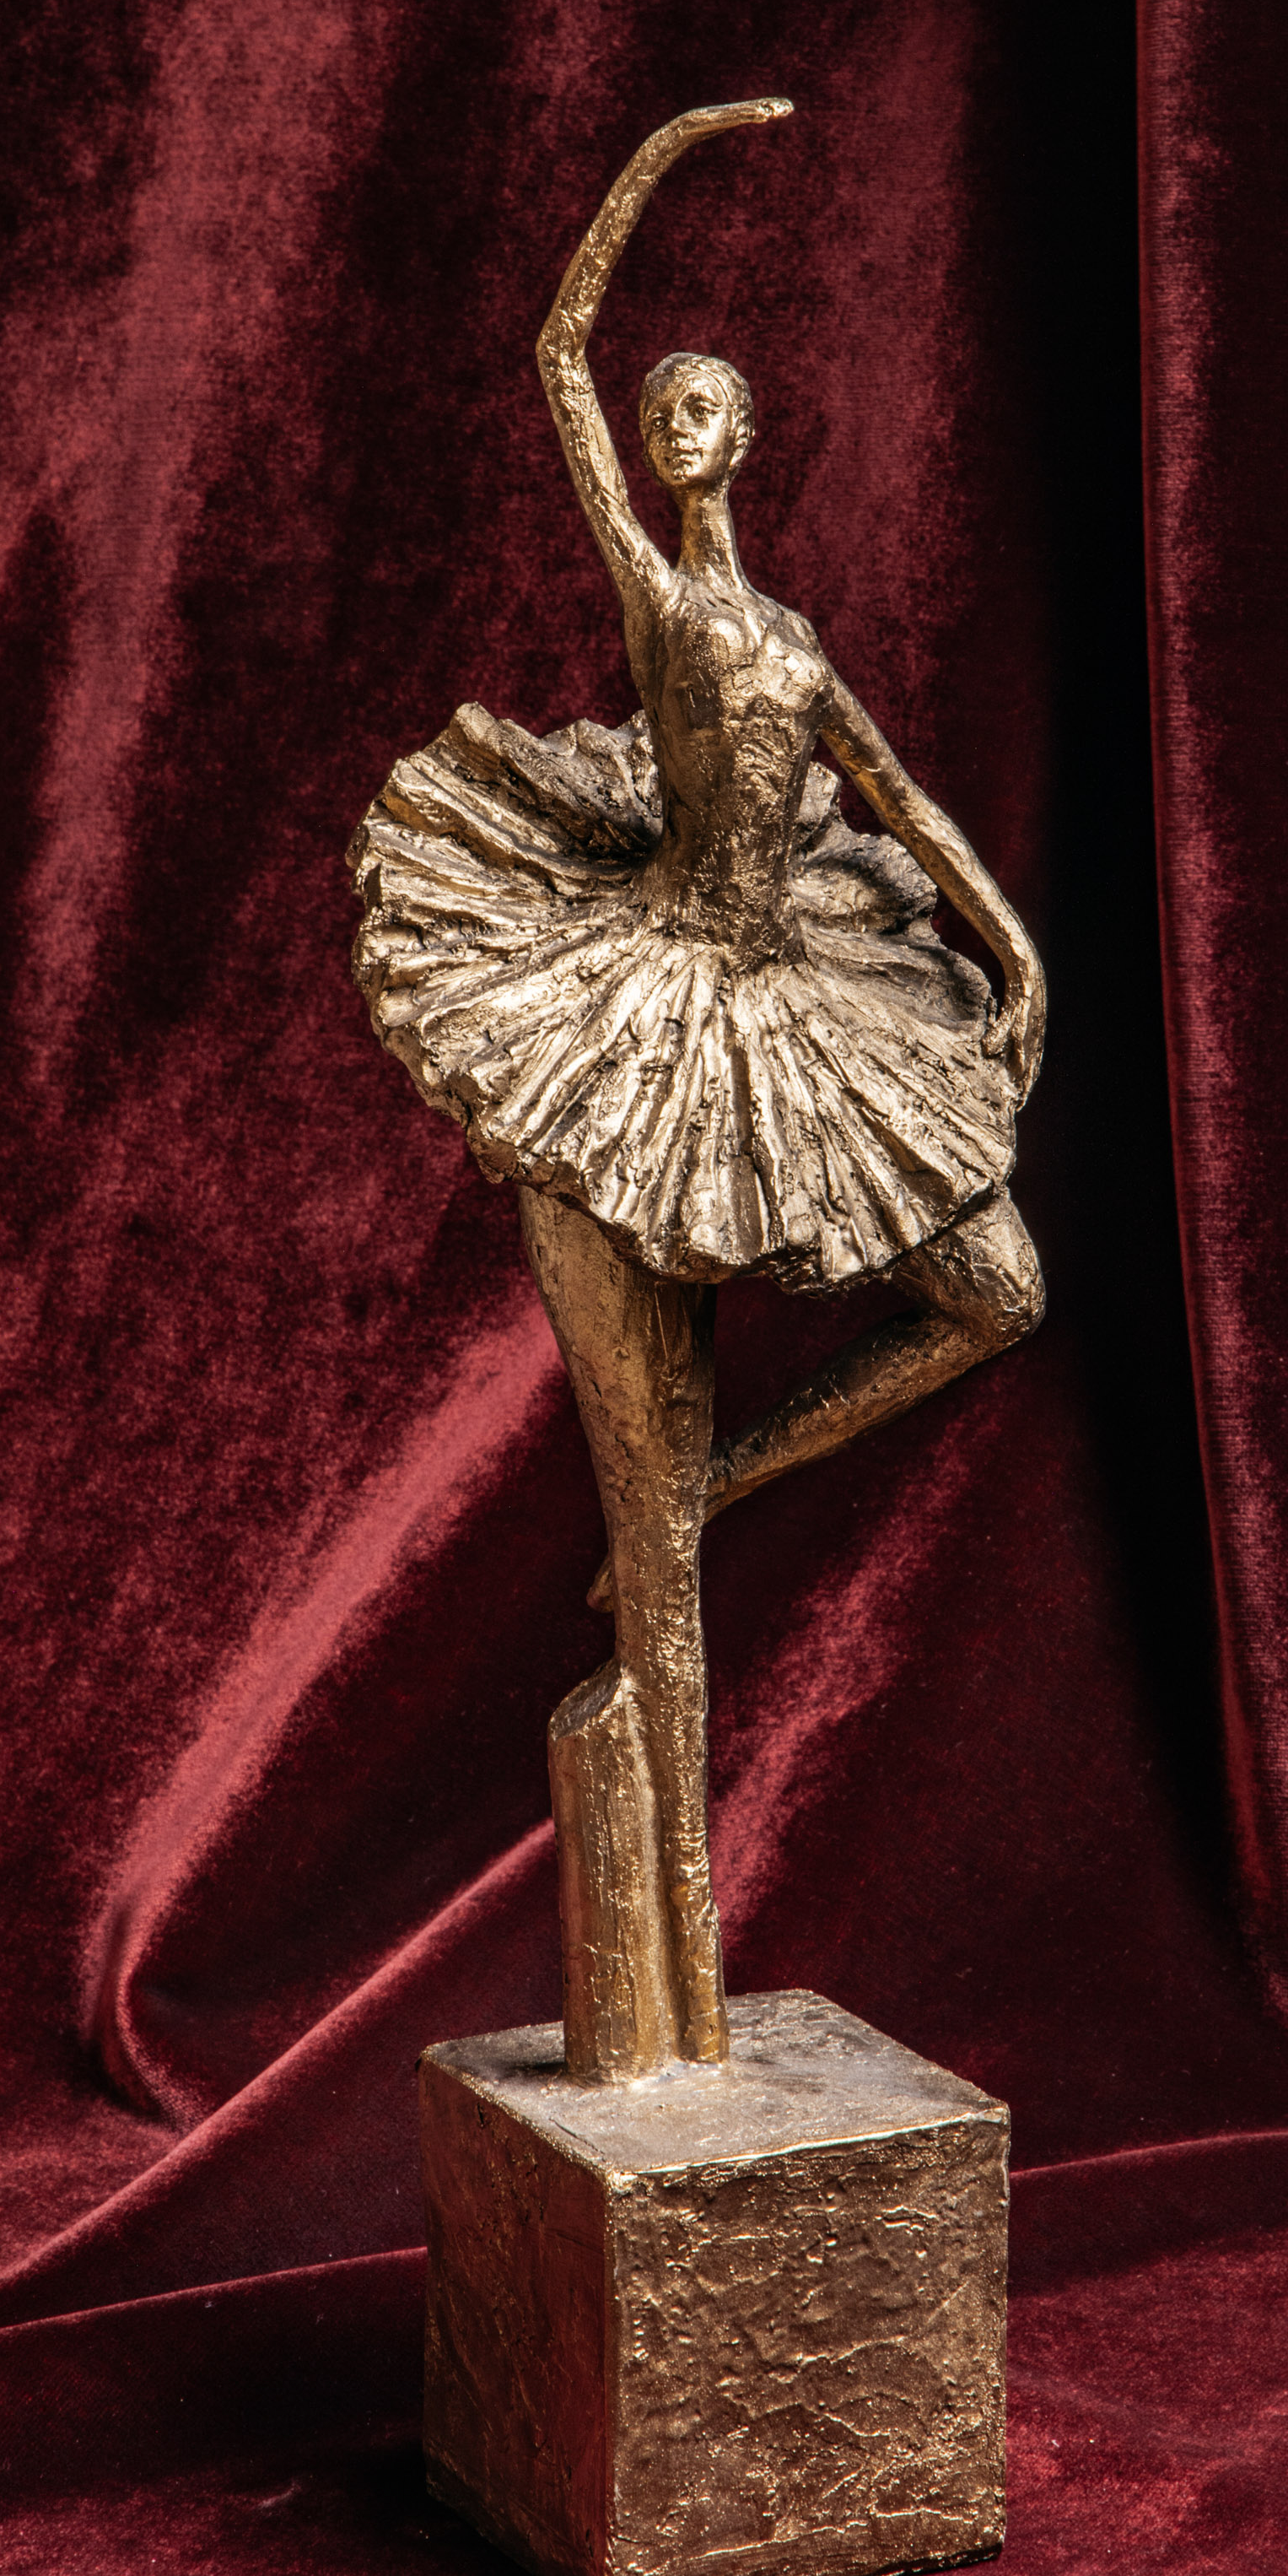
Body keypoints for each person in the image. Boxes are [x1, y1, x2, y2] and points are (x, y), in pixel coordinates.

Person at [352, 100, 1045, 2068]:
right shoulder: (664, 606)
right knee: (640, 1518)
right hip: (648, 1010)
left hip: (801, 990)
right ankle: (673, 1995)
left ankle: (724, 1480)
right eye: (670, 411)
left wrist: (1013, 943)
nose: (681, 427)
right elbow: (559, 358)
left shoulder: (791, 638)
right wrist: (667, 157)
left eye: (709, 407)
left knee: (998, 1296)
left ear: (748, 436)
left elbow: (894, 794)